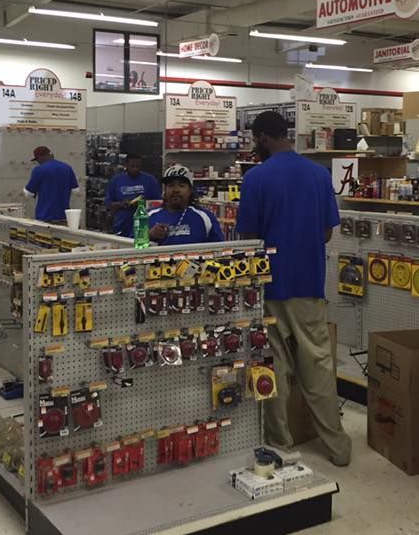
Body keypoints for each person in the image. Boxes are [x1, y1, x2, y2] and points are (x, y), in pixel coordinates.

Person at [235, 111, 351, 466]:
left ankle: (280, 444)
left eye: (256, 141)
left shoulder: (256, 178)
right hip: (309, 285)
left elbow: (248, 238)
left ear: (262, 137)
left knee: (275, 368)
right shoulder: (318, 174)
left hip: (269, 288)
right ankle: (337, 447)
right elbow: (328, 231)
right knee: (317, 366)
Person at [148, 165, 224, 245]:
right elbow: (134, 246)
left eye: (181, 185)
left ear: (190, 190)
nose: (176, 190)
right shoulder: (148, 216)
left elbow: (220, 249)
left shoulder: (205, 217)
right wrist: (148, 235)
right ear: (165, 190)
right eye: (171, 185)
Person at [105, 153, 161, 236]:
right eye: (132, 166)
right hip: (122, 225)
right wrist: (121, 204)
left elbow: (159, 203)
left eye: (138, 166)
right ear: (126, 165)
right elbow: (108, 204)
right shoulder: (115, 181)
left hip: (144, 225)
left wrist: (142, 204)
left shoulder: (150, 180)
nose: (135, 169)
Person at [24, 146, 79, 223]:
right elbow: (75, 190)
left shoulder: (39, 170)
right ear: (51, 155)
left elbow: (28, 193)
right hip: (64, 216)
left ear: (40, 158)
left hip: (44, 217)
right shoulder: (67, 168)